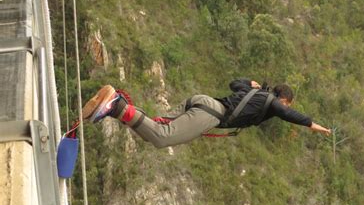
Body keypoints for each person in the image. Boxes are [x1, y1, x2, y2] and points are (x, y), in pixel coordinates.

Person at [82, 79, 331, 149]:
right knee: (162, 137)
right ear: (283, 99)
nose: (284, 107)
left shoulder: (256, 94)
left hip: (201, 101)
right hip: (211, 114)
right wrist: (312, 124)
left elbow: (235, 83)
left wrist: (250, 83)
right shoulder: (273, 103)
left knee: (154, 129)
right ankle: (116, 105)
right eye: (286, 103)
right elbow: (288, 114)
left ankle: (110, 107)